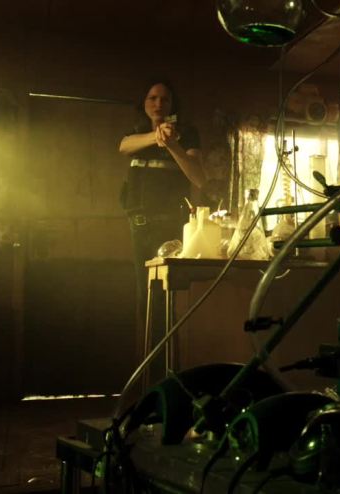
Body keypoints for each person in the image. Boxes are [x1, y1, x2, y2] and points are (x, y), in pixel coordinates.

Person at [118, 79, 204, 372]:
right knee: (145, 300)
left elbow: (199, 178)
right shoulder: (136, 132)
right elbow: (123, 146)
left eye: (164, 99)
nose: (158, 103)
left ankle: (170, 371)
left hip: (170, 230)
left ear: (173, 105)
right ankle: (148, 373)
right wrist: (156, 137)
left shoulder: (187, 134)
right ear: (144, 103)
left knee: (167, 301)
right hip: (139, 229)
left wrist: (172, 144)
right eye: (152, 98)